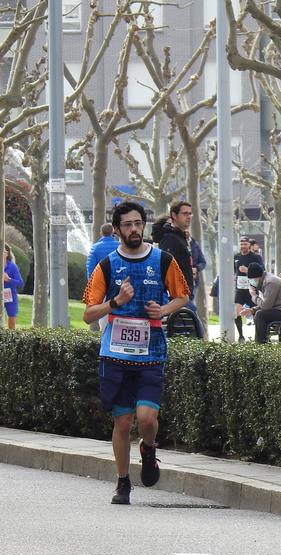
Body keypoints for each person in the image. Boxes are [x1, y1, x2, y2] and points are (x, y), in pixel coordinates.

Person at [81, 201, 189, 505]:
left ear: (144, 225)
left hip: (151, 352)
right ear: (117, 230)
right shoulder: (107, 265)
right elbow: (88, 314)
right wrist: (115, 302)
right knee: (124, 422)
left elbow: (182, 295)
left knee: (145, 418)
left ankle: (149, 449)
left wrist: (163, 309)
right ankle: (123, 482)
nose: (134, 229)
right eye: (127, 224)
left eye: (138, 223)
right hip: (115, 354)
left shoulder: (162, 260)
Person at [237, 261, 281, 344]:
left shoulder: (270, 282)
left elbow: (266, 306)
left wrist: (253, 295)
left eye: (252, 280)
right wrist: (252, 310)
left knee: (260, 315)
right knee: (259, 314)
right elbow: (268, 303)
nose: (251, 282)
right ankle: (262, 342)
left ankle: (261, 345)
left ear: (257, 277)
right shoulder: (265, 281)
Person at [152, 202, 193, 292]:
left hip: (185, 292)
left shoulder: (181, 237)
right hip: (177, 294)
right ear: (174, 215)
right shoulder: (170, 239)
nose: (189, 217)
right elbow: (167, 268)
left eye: (190, 213)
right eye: (185, 213)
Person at [233, 236, 255, 340]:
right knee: (237, 312)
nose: (243, 246)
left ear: (249, 245)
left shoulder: (255, 257)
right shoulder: (236, 257)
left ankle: (258, 336)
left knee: (256, 312)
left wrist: (248, 270)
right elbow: (232, 271)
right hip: (240, 289)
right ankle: (241, 336)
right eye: (241, 244)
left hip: (252, 290)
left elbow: (261, 271)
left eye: (245, 244)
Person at [3, 246, 24, 330]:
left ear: (7, 253)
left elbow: (20, 283)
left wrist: (8, 279)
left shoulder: (12, 266)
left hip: (10, 295)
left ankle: (11, 338)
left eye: (3, 251)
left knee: (12, 317)